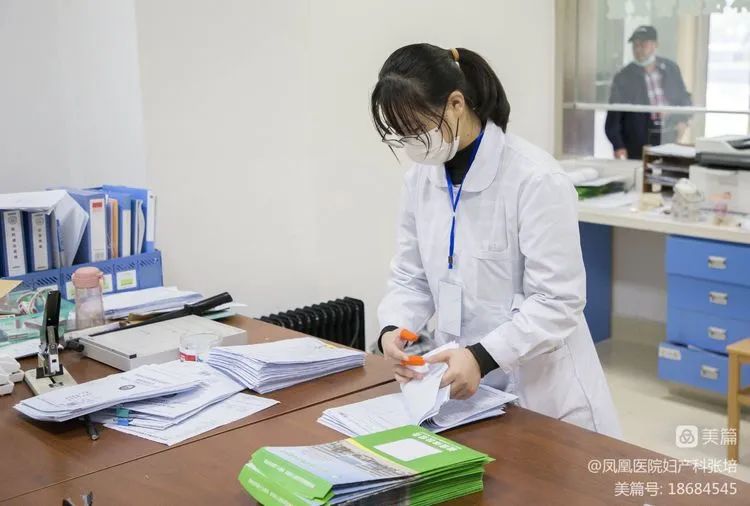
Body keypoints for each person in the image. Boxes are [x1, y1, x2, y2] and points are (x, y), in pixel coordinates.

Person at [371, 43, 621, 438]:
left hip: (543, 393)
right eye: (401, 135)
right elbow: (410, 276)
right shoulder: (420, 180)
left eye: (416, 129)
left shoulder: (535, 179)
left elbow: (558, 301)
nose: (411, 143)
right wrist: (393, 329)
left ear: (456, 104)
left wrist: (482, 357)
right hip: (465, 392)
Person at [605, 25, 692, 160]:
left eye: (643, 44)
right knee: (641, 171)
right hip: (638, 139)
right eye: (635, 45)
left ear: (655, 45)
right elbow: (614, 115)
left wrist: (683, 120)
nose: (638, 49)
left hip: (668, 134)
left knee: (669, 169)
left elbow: (683, 97)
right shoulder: (624, 77)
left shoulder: (670, 69)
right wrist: (618, 146)